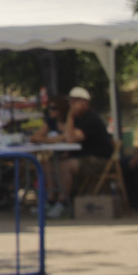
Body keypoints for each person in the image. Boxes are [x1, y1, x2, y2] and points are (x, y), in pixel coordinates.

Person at [48, 86, 113, 218]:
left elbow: (70, 139)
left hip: (99, 160)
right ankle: (50, 201)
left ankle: (63, 204)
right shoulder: (78, 119)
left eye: (75, 101)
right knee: (49, 165)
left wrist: (70, 115)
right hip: (84, 158)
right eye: (70, 101)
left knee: (64, 167)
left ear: (85, 102)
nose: (72, 105)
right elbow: (67, 136)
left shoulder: (91, 119)